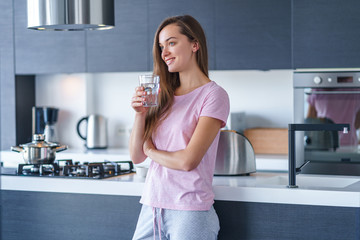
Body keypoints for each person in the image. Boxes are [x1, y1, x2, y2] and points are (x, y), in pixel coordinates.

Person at [129, 15, 230, 240]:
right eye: (161, 46)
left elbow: (187, 161)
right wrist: (140, 115)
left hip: (190, 211)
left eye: (172, 43)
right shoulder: (161, 95)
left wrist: (152, 151)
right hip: (152, 207)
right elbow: (136, 156)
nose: (164, 53)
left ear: (195, 45)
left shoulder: (214, 95)